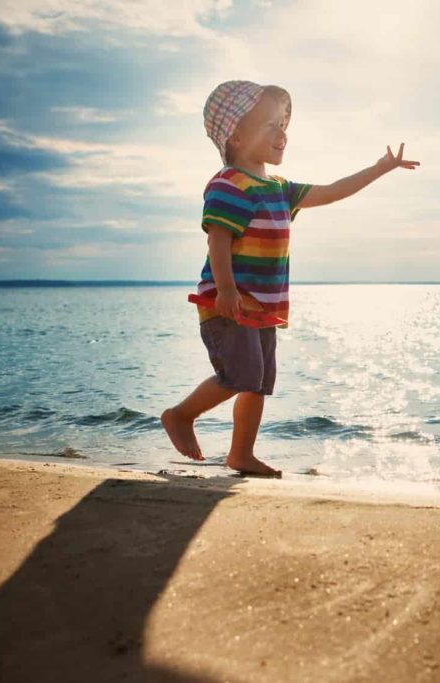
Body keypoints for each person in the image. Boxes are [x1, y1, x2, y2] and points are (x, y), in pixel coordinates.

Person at [161, 80, 419, 477]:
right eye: (271, 125)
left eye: (284, 125)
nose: (282, 134)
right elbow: (219, 237)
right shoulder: (229, 183)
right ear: (236, 133)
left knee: (259, 382)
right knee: (240, 375)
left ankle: (241, 454)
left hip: (263, 307)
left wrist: (379, 169)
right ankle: (180, 415)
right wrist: (226, 289)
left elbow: (332, 192)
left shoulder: (281, 189)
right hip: (229, 302)